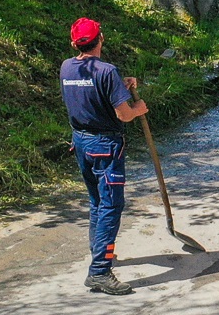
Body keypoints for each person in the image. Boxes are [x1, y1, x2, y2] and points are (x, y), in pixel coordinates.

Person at [59, 18, 151, 295]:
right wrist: (138, 109)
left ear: (74, 43)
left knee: (97, 202)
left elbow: (90, 90)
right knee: (111, 205)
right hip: (105, 145)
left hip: (81, 143)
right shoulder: (107, 71)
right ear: (101, 39)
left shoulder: (67, 67)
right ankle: (99, 271)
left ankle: (101, 253)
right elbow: (123, 114)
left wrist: (120, 87)